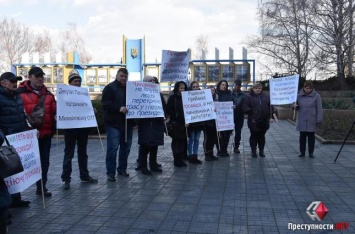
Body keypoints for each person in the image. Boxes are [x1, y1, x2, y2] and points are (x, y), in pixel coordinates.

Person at [18, 67, 56, 197]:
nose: (40, 78)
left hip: (45, 135)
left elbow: (55, 112)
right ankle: (17, 194)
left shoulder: (49, 95)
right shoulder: (20, 94)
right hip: (28, 137)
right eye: (37, 76)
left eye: (42, 76)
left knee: (44, 162)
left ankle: (42, 187)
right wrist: (29, 131)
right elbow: (19, 115)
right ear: (30, 77)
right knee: (26, 163)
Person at [61, 70, 98, 190]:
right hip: (70, 128)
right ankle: (66, 178)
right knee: (69, 154)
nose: (77, 83)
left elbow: (86, 108)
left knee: (83, 153)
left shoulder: (83, 94)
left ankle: (84, 175)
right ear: (70, 82)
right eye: (75, 81)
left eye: (79, 81)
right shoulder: (64, 94)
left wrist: (92, 111)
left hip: (82, 128)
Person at [0, 72, 31, 208]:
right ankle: (7, 202)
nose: (15, 83)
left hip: (18, 138)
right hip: (4, 140)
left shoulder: (17, 96)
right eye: (11, 81)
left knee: (16, 168)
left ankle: (16, 198)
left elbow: (21, 115)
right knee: (6, 170)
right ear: (3, 83)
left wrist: (26, 131)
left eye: (16, 81)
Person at [101, 68, 134, 181]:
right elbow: (105, 104)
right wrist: (119, 108)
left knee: (126, 148)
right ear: (117, 76)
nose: (124, 78)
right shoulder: (109, 88)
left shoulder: (131, 89)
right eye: (122, 76)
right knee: (113, 149)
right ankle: (110, 172)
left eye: (125, 76)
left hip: (127, 124)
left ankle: (122, 169)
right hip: (113, 123)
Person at [135, 75, 166, 175]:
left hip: (157, 123)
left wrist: (164, 114)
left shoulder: (159, 95)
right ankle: (143, 166)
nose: (152, 82)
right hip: (146, 124)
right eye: (150, 80)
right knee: (145, 146)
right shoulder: (140, 94)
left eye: (153, 80)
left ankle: (153, 164)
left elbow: (163, 107)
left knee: (154, 145)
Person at [243, 82, 273, 157]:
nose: (258, 89)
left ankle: (261, 150)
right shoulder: (249, 97)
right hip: (253, 121)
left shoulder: (266, 97)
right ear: (253, 89)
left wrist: (271, 116)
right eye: (256, 88)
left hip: (264, 121)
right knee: (254, 136)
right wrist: (252, 111)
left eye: (259, 88)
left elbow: (270, 107)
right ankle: (253, 150)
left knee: (262, 136)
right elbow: (245, 107)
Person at [294, 81, 323, 158]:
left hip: (311, 119)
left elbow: (319, 109)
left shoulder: (317, 96)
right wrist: (294, 107)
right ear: (304, 88)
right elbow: (295, 107)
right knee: (302, 137)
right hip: (302, 119)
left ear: (312, 88)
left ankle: (311, 152)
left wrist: (319, 119)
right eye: (306, 88)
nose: (308, 89)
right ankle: (302, 152)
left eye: (309, 88)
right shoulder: (298, 96)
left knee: (311, 137)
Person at [166, 81, 188, 167]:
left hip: (184, 124)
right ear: (177, 88)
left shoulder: (187, 98)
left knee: (182, 141)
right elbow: (169, 110)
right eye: (181, 88)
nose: (183, 90)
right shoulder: (173, 98)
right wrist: (178, 118)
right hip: (176, 124)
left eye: (184, 88)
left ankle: (180, 158)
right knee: (176, 142)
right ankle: (176, 160)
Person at [216, 80, 234, 157]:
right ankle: (220, 150)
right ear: (219, 85)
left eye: (225, 85)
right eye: (222, 84)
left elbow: (234, 102)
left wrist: (234, 106)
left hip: (228, 119)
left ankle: (225, 150)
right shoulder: (216, 94)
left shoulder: (229, 94)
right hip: (219, 119)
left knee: (227, 135)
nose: (224, 86)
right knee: (220, 136)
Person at [187, 81, 203, 164]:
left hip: (199, 122)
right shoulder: (188, 96)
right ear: (191, 88)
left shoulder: (202, 96)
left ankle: (195, 155)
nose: (196, 88)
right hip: (191, 122)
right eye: (194, 87)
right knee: (191, 139)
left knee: (197, 139)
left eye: (197, 86)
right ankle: (190, 156)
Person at [202, 85, 219, 161]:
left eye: (213, 90)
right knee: (207, 138)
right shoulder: (203, 99)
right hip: (206, 122)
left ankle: (211, 153)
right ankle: (206, 154)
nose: (212, 92)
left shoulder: (216, 98)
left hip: (214, 121)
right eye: (210, 90)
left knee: (212, 138)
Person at [232, 80, 246, 153]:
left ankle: (236, 146)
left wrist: (241, 109)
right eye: (236, 85)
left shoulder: (243, 95)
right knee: (227, 132)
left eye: (239, 85)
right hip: (230, 115)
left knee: (238, 132)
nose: (237, 86)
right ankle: (224, 147)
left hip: (239, 115)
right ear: (234, 85)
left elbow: (245, 105)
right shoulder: (230, 94)